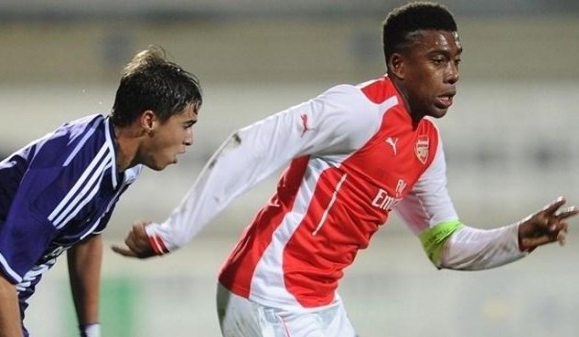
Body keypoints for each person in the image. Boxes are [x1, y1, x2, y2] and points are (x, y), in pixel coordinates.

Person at [113, 2, 577, 337]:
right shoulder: (358, 111)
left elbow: (445, 246)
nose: (452, 73)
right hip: (269, 295)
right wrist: (173, 232)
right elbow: (250, 145)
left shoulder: (426, 147)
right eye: (438, 61)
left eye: (456, 61)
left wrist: (515, 238)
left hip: (318, 305)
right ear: (398, 64)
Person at [0, 46, 202, 337]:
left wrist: (90, 330)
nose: (190, 139)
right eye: (186, 125)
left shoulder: (119, 158)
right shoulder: (75, 175)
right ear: (149, 121)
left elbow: (86, 235)